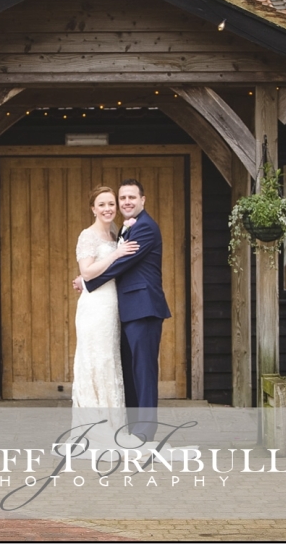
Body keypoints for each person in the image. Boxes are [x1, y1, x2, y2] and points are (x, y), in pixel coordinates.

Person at [77, 178, 171, 442]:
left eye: (132, 197)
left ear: (143, 200)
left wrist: (87, 281)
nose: (126, 202)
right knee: (129, 372)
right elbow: (113, 263)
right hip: (125, 310)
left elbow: (122, 263)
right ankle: (132, 427)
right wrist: (85, 276)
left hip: (144, 308)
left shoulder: (145, 228)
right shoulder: (124, 229)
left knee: (144, 372)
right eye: (123, 198)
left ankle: (144, 431)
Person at [69, 185, 140, 456]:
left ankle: (113, 424)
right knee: (95, 360)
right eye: (102, 204)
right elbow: (88, 272)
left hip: (112, 306)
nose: (108, 208)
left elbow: (109, 272)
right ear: (93, 209)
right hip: (95, 307)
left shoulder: (115, 232)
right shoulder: (87, 235)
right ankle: (93, 426)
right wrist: (116, 254)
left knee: (109, 360)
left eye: (111, 203)